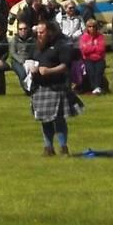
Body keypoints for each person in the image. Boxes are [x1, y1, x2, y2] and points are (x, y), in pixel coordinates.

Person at [24, 18, 80, 155]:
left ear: (49, 32)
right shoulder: (36, 46)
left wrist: (50, 71)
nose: (39, 35)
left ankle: (63, 147)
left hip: (56, 87)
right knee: (44, 120)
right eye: (38, 32)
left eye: (42, 32)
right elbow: (29, 60)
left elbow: (65, 65)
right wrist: (30, 67)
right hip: (39, 88)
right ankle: (48, 148)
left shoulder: (61, 45)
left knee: (59, 119)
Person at [79, 17, 107, 95]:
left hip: (99, 58)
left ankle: (97, 87)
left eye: (94, 26)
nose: (92, 28)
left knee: (99, 71)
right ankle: (95, 88)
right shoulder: (83, 37)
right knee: (90, 71)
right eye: (90, 26)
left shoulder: (100, 36)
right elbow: (84, 50)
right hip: (88, 59)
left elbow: (101, 49)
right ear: (87, 27)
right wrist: (95, 47)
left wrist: (90, 47)